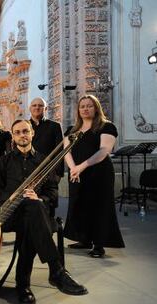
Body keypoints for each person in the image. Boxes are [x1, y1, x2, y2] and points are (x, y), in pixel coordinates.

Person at [0, 119, 88, 304]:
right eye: (18, 132)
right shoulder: (4, 161)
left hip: (37, 213)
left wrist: (39, 199)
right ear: (13, 136)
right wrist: (12, 197)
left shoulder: (44, 161)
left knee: (33, 211)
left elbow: (52, 194)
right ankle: (56, 271)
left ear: (32, 133)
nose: (22, 135)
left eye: (25, 131)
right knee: (32, 214)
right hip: (11, 215)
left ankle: (23, 285)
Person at [63, 94, 125, 258]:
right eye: (82, 106)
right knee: (79, 205)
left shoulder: (106, 127)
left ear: (96, 108)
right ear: (78, 110)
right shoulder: (72, 130)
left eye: (89, 105)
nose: (85, 109)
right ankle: (84, 239)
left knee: (99, 207)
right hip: (77, 173)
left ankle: (99, 244)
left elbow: (104, 151)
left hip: (99, 173)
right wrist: (73, 168)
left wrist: (81, 167)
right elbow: (66, 151)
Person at [29, 97, 64, 217]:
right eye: (34, 105)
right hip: (28, 172)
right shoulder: (25, 126)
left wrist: (58, 173)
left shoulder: (54, 126)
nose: (37, 107)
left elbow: (60, 151)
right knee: (28, 207)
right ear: (30, 108)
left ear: (46, 108)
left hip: (49, 173)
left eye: (40, 105)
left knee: (48, 207)